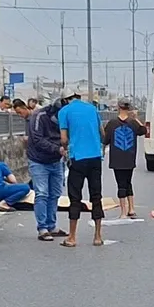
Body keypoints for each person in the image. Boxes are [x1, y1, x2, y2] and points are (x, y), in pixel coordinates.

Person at [59, 88, 106, 247]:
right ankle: (98, 236)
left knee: (75, 197)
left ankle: (72, 237)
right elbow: (102, 133)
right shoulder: (92, 109)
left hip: (77, 158)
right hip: (94, 157)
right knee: (96, 195)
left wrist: (67, 146)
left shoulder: (64, 111)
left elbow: (64, 139)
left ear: (65, 99)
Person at [27, 93, 68, 242]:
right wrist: (56, 149)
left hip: (56, 161)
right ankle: (42, 227)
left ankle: (52, 225)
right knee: (42, 193)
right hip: (39, 161)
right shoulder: (39, 116)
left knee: (55, 193)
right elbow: (37, 139)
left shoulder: (65, 119)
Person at [102, 98, 147, 218]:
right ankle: (131, 208)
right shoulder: (133, 123)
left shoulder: (112, 123)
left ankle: (123, 212)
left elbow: (105, 140)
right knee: (128, 183)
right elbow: (143, 130)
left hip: (117, 159)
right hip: (130, 158)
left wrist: (101, 151)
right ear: (129, 108)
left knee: (120, 184)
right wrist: (136, 117)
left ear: (118, 107)